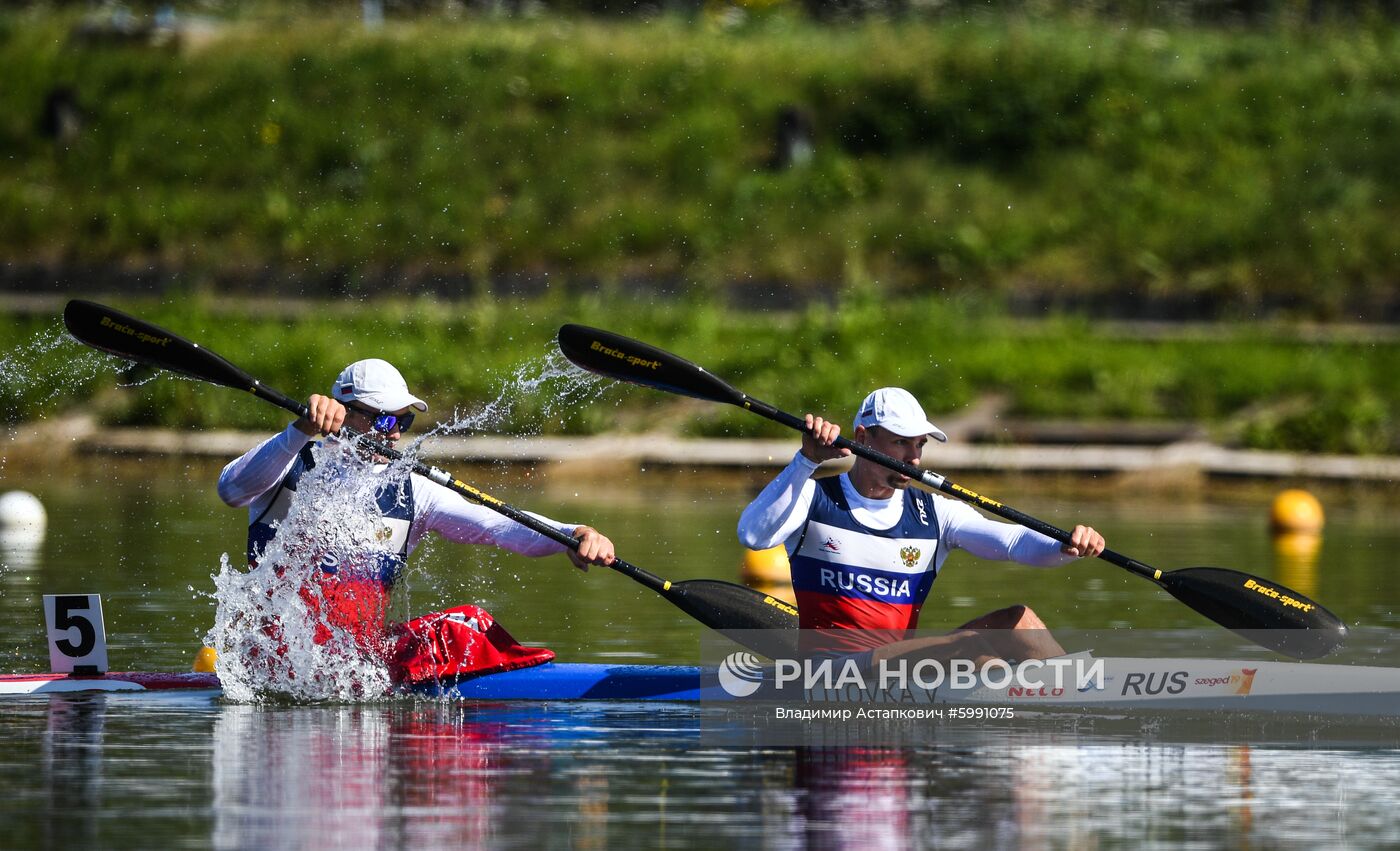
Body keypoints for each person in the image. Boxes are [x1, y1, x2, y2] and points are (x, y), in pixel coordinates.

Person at [217, 358, 616, 681]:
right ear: (345, 414)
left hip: (356, 670)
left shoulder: (414, 490)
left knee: (468, 624)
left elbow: (497, 525)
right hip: (273, 664)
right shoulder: (290, 463)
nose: (394, 435)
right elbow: (231, 491)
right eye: (385, 420)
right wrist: (298, 431)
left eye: (403, 422)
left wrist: (571, 533)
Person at [737, 387, 1105, 662]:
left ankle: (1079, 696)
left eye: (919, 445)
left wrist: (1065, 546)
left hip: (898, 666)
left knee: (1019, 620)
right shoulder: (813, 498)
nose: (913, 458)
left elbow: (1014, 543)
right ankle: (1018, 707)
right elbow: (753, 535)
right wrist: (806, 460)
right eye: (900, 443)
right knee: (971, 650)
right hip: (830, 672)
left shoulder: (936, 514)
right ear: (863, 438)